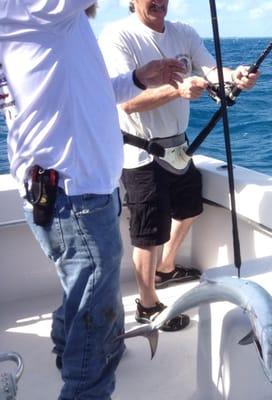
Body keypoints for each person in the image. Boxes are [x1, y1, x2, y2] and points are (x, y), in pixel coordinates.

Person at [0, 2, 186, 399]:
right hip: (74, 195)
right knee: (92, 304)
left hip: (69, 191)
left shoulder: (52, 23)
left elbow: (88, 89)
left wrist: (137, 78)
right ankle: (85, 383)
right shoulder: (37, 7)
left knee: (84, 287)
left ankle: (71, 349)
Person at [98, 0, 260, 331]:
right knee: (148, 234)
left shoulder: (183, 32)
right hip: (141, 153)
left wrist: (235, 77)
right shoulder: (118, 36)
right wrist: (177, 91)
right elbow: (126, 102)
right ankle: (147, 304)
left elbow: (210, 71)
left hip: (178, 147)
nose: (158, 1)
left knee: (189, 210)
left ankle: (166, 268)